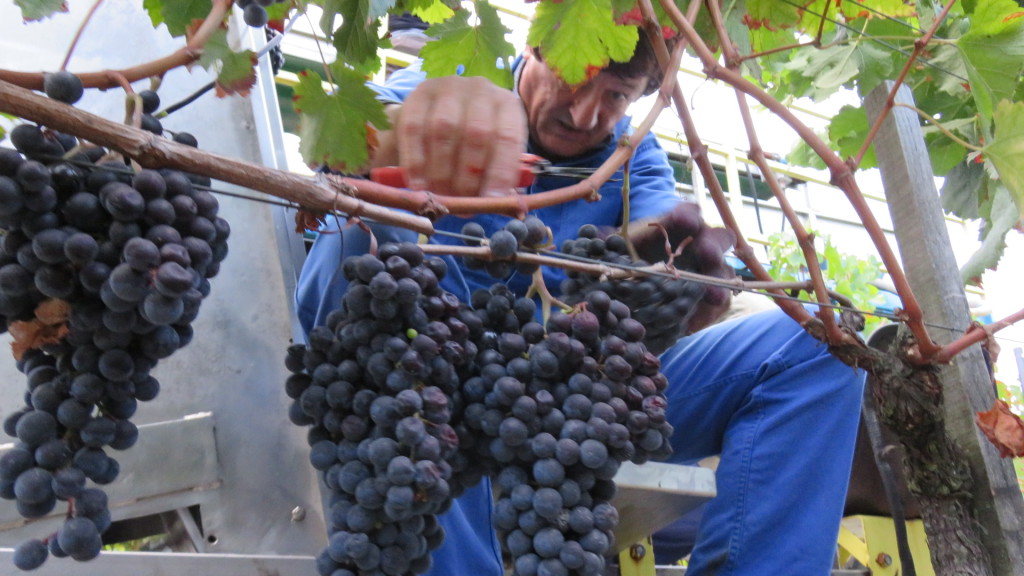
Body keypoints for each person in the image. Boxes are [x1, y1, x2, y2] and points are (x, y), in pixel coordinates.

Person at [295, 29, 865, 576]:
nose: (587, 113)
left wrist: (668, 274)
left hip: (572, 397)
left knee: (818, 345)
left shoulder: (632, 159)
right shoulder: (454, 85)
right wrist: (409, 134)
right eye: (576, 76)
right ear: (534, 48)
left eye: (618, 94)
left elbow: (655, 234)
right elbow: (341, 151)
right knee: (360, 246)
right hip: (443, 389)